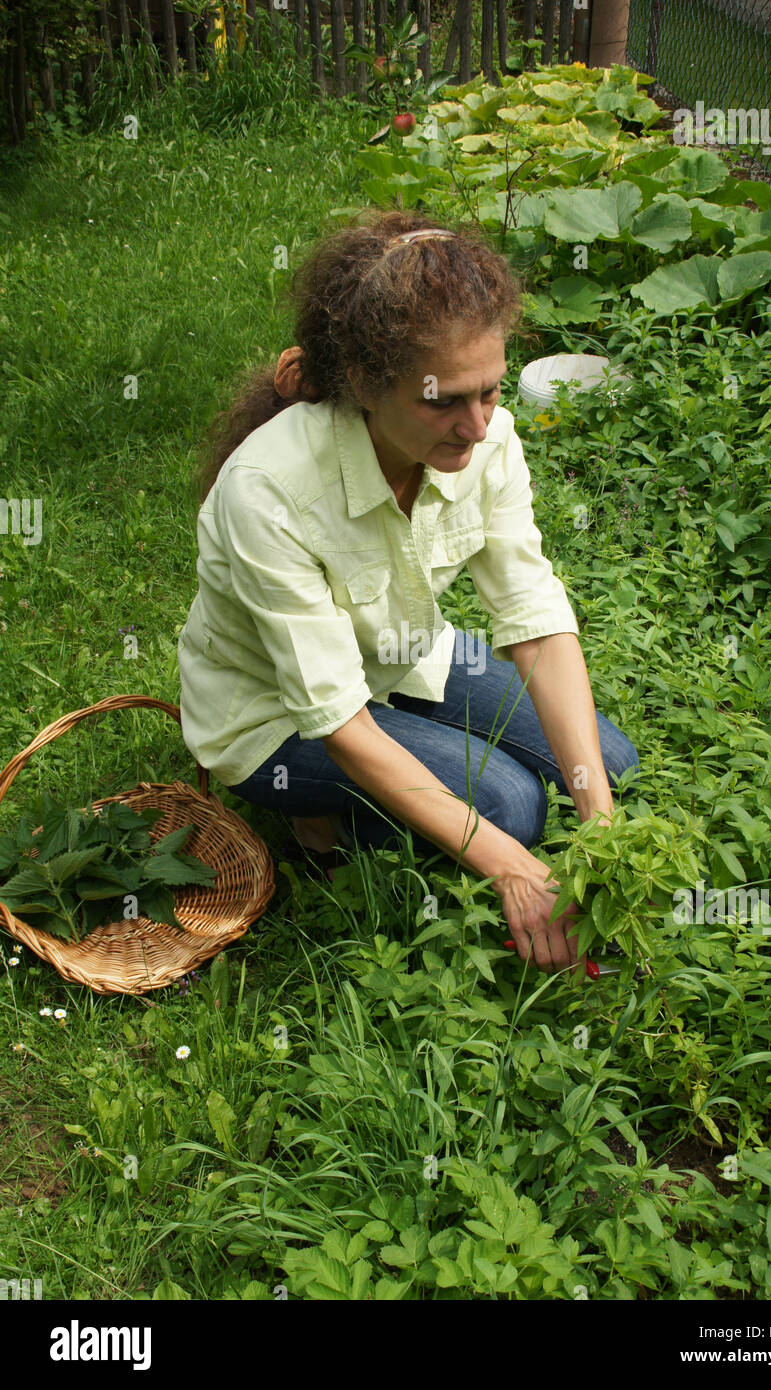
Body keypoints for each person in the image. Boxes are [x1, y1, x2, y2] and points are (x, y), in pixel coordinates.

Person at [177, 209, 639, 977]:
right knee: (509, 812)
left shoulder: (489, 439)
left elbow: (533, 620)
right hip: (276, 716)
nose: (476, 425)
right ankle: (316, 825)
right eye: (444, 401)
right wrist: (512, 868)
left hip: (400, 657)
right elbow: (335, 716)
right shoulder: (267, 489)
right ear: (362, 383)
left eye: (490, 391)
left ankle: (437, 792)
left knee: (606, 770)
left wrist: (601, 824)